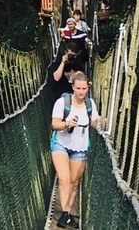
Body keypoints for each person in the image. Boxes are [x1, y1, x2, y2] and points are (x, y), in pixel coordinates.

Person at [50, 72, 100, 229]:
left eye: (84, 88)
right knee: (64, 179)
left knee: (74, 183)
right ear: (72, 87)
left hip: (80, 147)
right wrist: (67, 124)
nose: (81, 92)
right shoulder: (62, 102)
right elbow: (54, 124)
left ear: (88, 88)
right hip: (60, 144)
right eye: (78, 88)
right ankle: (66, 214)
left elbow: (95, 124)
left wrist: (102, 122)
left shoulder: (90, 104)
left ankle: (67, 214)